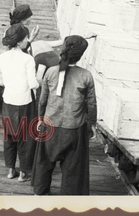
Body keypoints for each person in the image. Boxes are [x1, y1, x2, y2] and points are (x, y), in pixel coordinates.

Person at [32, 35, 96, 195]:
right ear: (81, 56)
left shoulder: (51, 72)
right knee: (73, 170)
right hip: (74, 129)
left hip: (49, 126)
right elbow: (91, 105)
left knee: (43, 163)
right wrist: (92, 125)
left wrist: (40, 119)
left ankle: (40, 193)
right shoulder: (86, 76)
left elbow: (42, 101)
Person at [0, 23, 39, 182]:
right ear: (19, 42)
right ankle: (24, 172)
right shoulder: (28, 59)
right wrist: (41, 83)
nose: (27, 41)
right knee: (25, 138)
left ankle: (11, 170)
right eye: (26, 39)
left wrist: (6, 83)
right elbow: (33, 84)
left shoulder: (3, 56)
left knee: (9, 136)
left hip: (8, 102)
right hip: (24, 103)